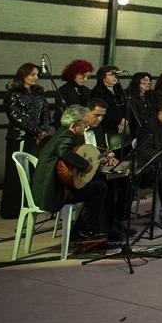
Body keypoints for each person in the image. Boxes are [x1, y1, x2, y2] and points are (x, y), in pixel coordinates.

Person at [30, 105, 111, 248]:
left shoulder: (63, 133)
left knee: (95, 186)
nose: (86, 127)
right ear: (74, 125)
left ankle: (86, 230)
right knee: (99, 188)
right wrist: (85, 165)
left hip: (55, 186)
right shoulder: (65, 136)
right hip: (52, 191)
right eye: (84, 124)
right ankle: (83, 231)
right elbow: (64, 152)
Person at [0, 63, 54, 219]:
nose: (36, 77)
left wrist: (43, 131)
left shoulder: (39, 94)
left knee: (33, 171)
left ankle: (31, 205)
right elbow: (16, 117)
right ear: (23, 75)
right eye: (32, 74)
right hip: (19, 138)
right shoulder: (12, 95)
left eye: (37, 74)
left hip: (37, 138)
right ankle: (12, 209)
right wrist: (37, 131)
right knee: (16, 174)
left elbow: (46, 114)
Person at [82, 98, 133, 237]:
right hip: (83, 172)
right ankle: (107, 226)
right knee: (108, 185)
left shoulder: (98, 129)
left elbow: (102, 149)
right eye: (96, 115)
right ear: (86, 112)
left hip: (98, 167)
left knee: (127, 181)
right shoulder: (78, 129)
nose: (99, 119)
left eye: (102, 116)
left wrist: (109, 156)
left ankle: (118, 221)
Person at [92, 65, 129, 151]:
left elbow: (127, 105)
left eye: (116, 75)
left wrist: (124, 119)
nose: (115, 77)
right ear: (103, 77)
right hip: (107, 127)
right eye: (111, 75)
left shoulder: (118, 89)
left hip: (122, 125)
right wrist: (119, 122)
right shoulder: (98, 91)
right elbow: (104, 111)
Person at [124, 72, 153, 140]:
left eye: (149, 80)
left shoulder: (150, 97)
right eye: (145, 80)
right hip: (137, 132)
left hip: (149, 129)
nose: (149, 82)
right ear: (137, 82)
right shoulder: (131, 98)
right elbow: (134, 117)